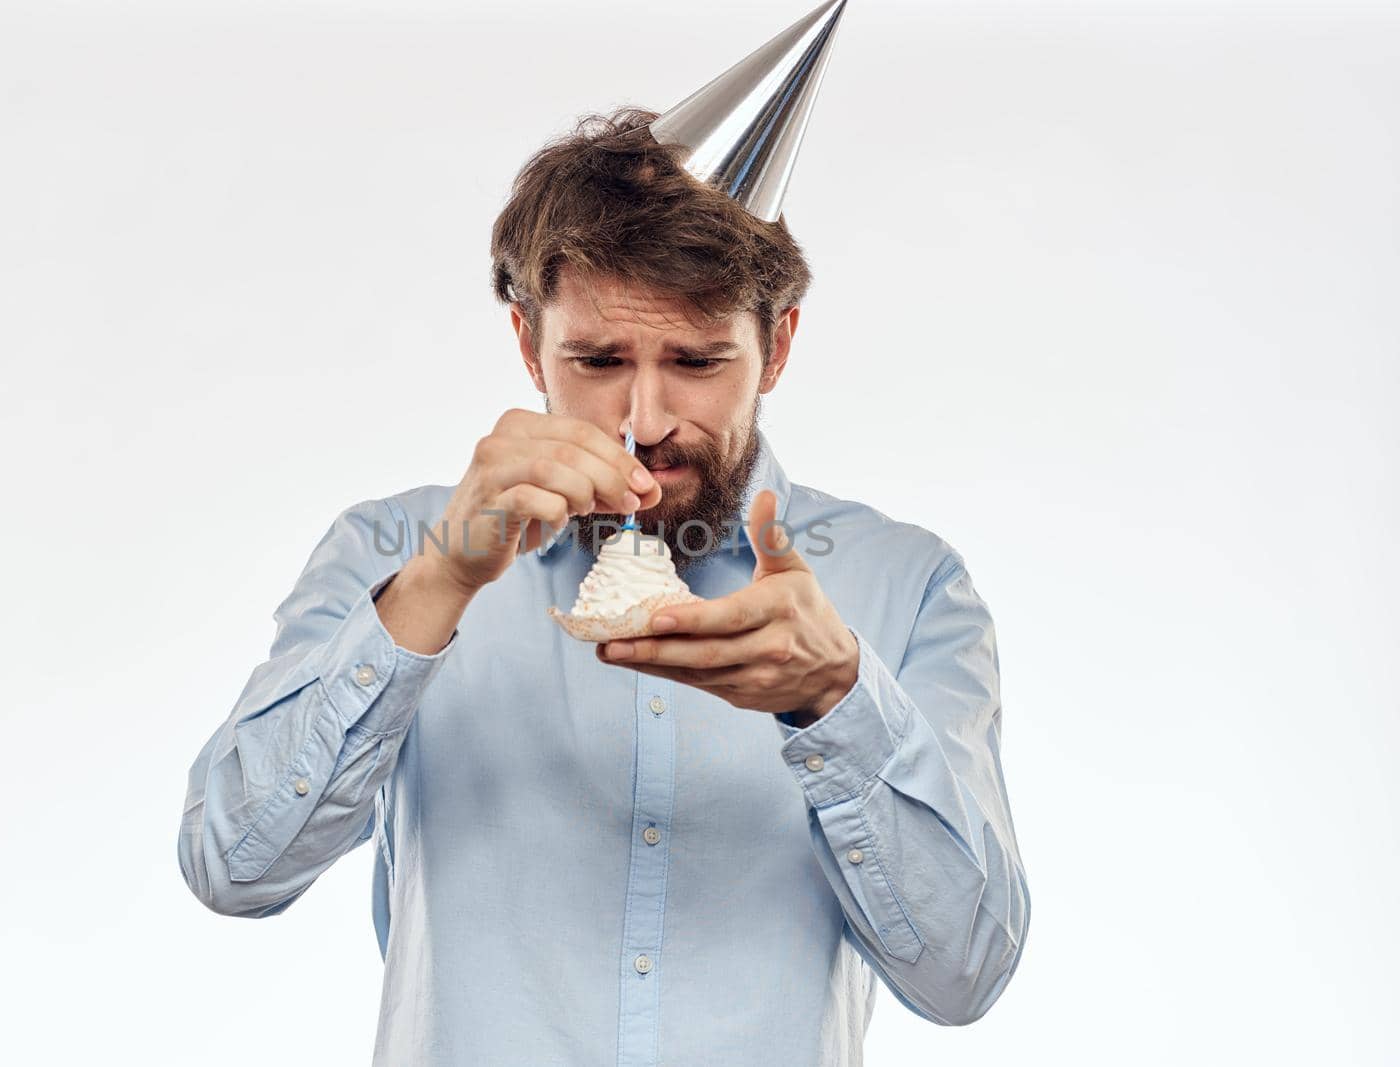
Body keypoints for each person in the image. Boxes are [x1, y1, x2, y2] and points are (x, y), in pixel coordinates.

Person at [178, 5, 1029, 1064]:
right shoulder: (391, 548)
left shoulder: (904, 586)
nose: (644, 418)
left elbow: (964, 976)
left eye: (697, 360)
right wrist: (437, 584)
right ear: (529, 344)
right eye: (597, 360)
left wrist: (838, 695)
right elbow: (231, 865)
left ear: (780, 344)